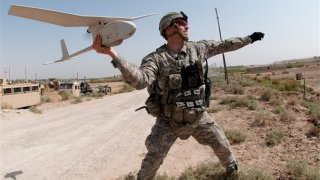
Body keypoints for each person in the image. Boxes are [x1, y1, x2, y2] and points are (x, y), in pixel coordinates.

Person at [93, 11, 264, 180]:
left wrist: (249, 38)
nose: (187, 26)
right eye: (181, 23)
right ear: (169, 29)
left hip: (198, 115)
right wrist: (112, 53)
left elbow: (224, 45)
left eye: (185, 23)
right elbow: (140, 80)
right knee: (152, 161)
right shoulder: (156, 58)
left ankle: (233, 174)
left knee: (222, 145)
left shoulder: (197, 49)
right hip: (168, 120)